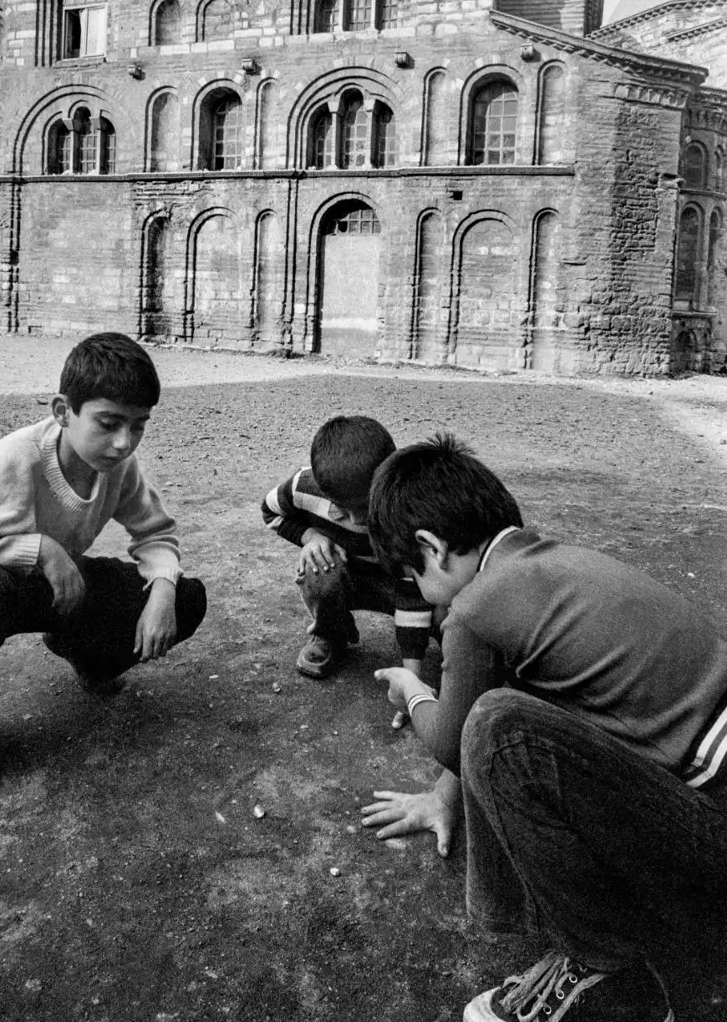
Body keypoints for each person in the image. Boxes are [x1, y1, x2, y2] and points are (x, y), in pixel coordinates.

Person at [363, 432, 727, 1022]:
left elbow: (455, 738)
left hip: (712, 834)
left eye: (413, 576)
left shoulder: (477, 609)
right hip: (704, 794)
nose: (425, 600)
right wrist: (442, 796)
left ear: (432, 548)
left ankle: (604, 969)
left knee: (498, 729)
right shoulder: (554, 566)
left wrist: (416, 690)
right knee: (510, 710)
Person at [0, 332, 206, 795]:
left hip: (63, 586)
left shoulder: (120, 466)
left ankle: (87, 655)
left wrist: (163, 589)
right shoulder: (15, 459)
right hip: (0, 586)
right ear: (63, 411)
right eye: (108, 423)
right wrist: (40, 549)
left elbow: (156, 533)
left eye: (139, 425)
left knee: (187, 597)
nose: (124, 442)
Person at [262, 415, 438, 694]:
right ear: (321, 486)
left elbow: (412, 590)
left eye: (366, 506)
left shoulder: (406, 511)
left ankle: (447, 642)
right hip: (348, 575)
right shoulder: (301, 486)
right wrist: (310, 537)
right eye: (341, 509)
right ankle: (332, 633)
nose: (356, 520)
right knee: (317, 568)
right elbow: (270, 511)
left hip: (400, 583)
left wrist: (411, 676)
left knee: (448, 614)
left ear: (387, 480)